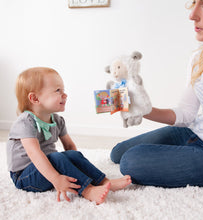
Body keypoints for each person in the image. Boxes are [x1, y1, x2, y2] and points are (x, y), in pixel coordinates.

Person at [110, 0, 203, 188]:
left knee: (131, 160)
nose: (192, 15)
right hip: (193, 132)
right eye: (194, 3)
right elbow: (186, 114)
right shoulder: (200, 58)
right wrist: (143, 109)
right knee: (118, 152)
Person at [7, 67, 131, 205]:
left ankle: (104, 182)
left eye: (63, 90)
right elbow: (35, 154)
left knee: (72, 154)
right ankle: (87, 190)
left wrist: (74, 164)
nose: (65, 95)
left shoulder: (57, 120)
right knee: (57, 156)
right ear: (35, 98)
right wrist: (56, 179)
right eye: (57, 90)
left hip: (50, 166)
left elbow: (70, 147)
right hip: (25, 176)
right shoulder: (25, 122)